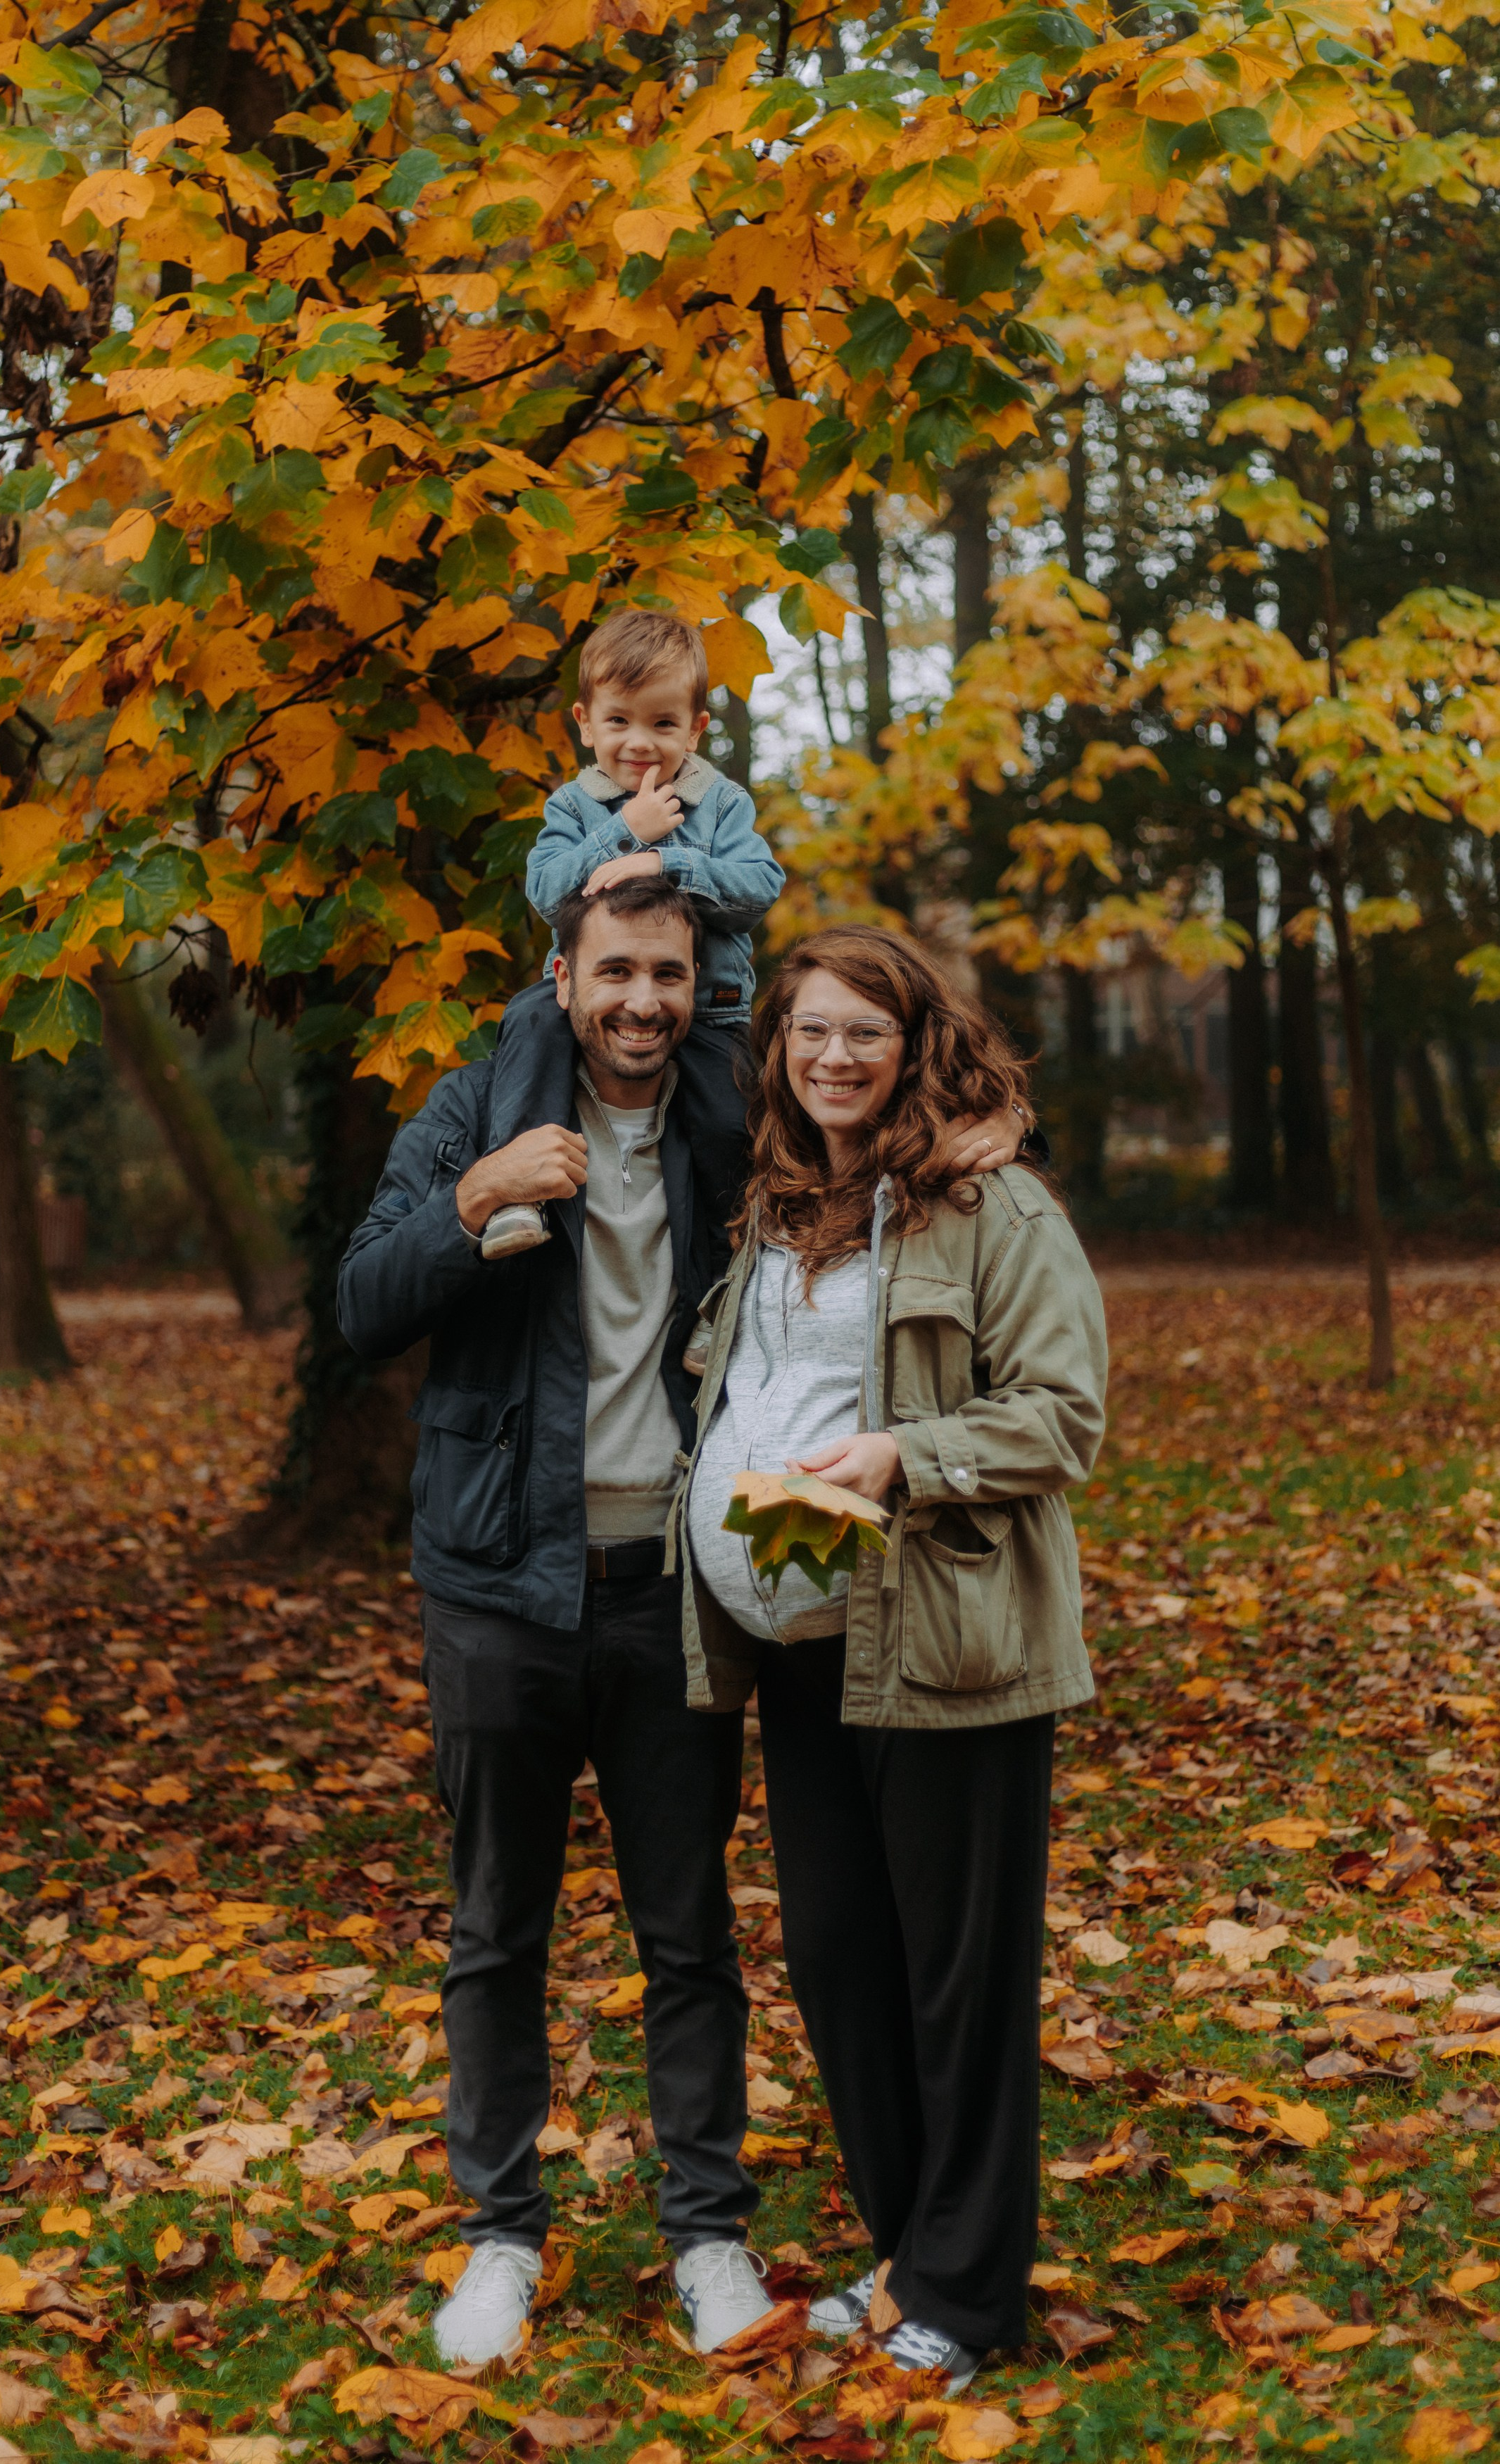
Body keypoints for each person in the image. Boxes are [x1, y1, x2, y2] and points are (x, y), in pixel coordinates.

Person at [336, 876, 775, 2368]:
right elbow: (361, 1304)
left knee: (688, 1930)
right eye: (615, 972)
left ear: (697, 983)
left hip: (675, 1586)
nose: (640, 999)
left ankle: (706, 2232)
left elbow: (894, 1150)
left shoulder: (740, 1112)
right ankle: (498, 2238)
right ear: (562, 971)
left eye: (666, 973)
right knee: (493, 1928)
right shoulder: (471, 1106)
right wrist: (469, 1206)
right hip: (495, 1590)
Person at [672, 926, 1107, 2387]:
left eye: (863, 1031)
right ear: (778, 1051)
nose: (833, 1058)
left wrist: (901, 1455)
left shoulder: (992, 1207)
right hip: (802, 1652)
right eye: (807, 1033)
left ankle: (965, 2296)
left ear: (916, 1041)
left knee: (955, 1986)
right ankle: (909, 2249)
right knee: (843, 1968)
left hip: (946, 1649)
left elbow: (1061, 1414)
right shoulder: (775, 1203)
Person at [476, 606, 784, 1262]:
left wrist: (666, 861)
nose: (639, 742)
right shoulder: (572, 806)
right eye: (618, 721)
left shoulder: (722, 804)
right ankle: (517, 1195)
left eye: (663, 723)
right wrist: (625, 834)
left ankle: (722, 1285)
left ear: (696, 730)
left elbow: (758, 886)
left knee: (728, 1131)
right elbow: (546, 891)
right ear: (585, 722)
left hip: (708, 1011)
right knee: (528, 1031)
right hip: (588, 1001)